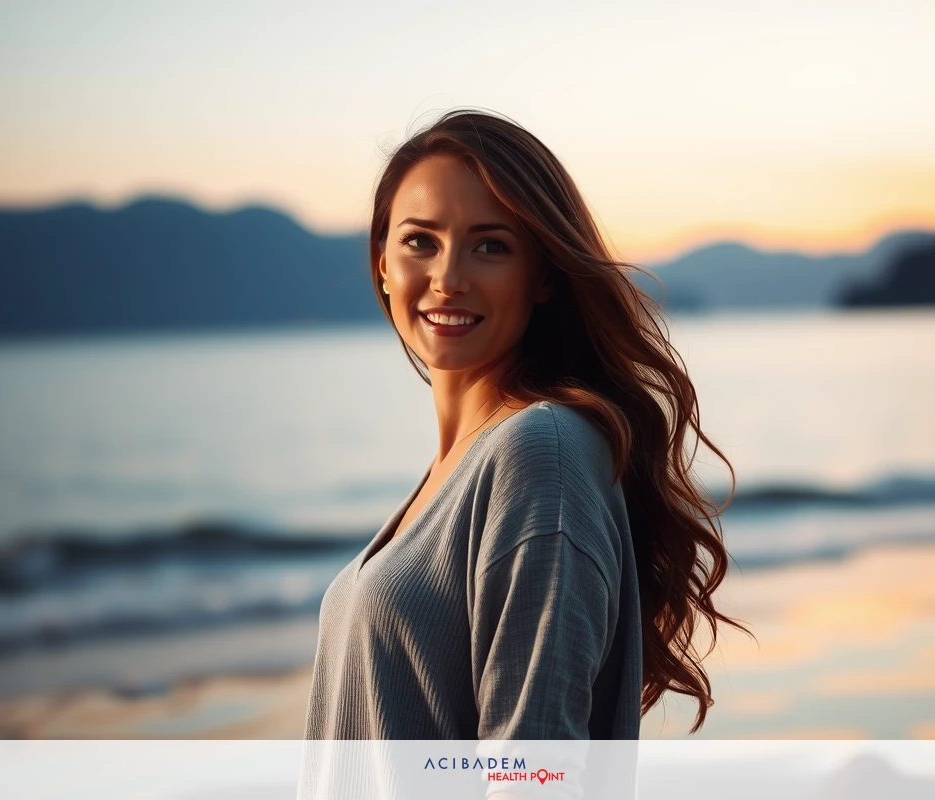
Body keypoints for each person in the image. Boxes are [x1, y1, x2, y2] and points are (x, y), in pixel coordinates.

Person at [302, 109, 745, 754]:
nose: (448, 279)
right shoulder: (468, 463)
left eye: (490, 246)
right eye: (420, 241)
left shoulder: (540, 453)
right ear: (382, 264)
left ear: (542, 276)